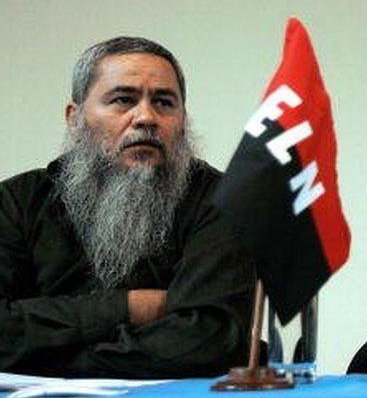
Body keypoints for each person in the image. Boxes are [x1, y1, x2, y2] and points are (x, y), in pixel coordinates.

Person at [0, 37, 254, 377]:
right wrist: (130, 306)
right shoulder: (17, 202)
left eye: (164, 103)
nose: (146, 117)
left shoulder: (221, 201)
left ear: (182, 120)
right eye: (123, 100)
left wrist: (42, 358)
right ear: (74, 118)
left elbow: (208, 339)